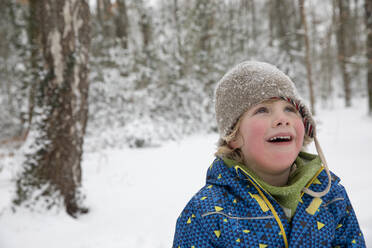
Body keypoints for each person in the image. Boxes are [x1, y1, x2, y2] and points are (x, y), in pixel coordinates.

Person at [172, 61, 366, 247]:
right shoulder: (207, 214)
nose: (282, 119)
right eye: (262, 110)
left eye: (290, 109)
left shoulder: (330, 195)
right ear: (233, 136)